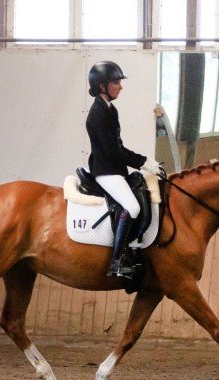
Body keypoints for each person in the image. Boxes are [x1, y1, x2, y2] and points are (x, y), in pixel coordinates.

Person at [85, 60, 159, 278]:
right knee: (132, 207)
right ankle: (117, 260)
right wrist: (144, 161)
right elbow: (112, 151)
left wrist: (143, 162)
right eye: (116, 82)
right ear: (102, 86)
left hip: (114, 169)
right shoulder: (98, 113)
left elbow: (118, 147)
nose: (120, 86)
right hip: (105, 170)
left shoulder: (110, 109)